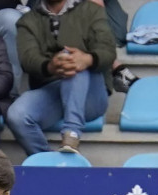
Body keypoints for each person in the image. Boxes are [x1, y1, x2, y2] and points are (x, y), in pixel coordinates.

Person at [7, 0, 115, 155]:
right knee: (17, 115)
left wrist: (87, 59)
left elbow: (108, 51)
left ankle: (72, 133)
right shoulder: (28, 20)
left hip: (90, 94)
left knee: (70, 59)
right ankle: (46, 162)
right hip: (53, 91)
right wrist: (51, 66)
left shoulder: (92, 11)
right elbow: (28, 59)